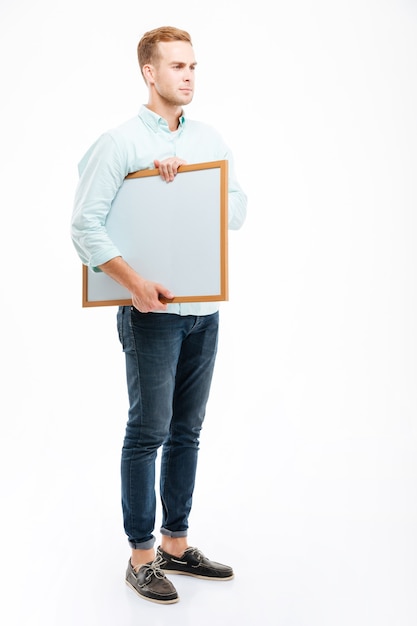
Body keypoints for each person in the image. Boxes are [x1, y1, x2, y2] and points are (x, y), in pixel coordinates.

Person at [71, 25, 247, 605]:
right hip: (151, 313)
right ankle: (141, 556)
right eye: (176, 66)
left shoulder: (209, 138)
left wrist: (186, 185)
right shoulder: (119, 142)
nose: (189, 75)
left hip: (202, 310)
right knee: (148, 431)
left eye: (193, 65)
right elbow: (84, 226)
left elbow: (237, 210)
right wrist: (135, 283)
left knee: (187, 431)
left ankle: (176, 545)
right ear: (150, 73)